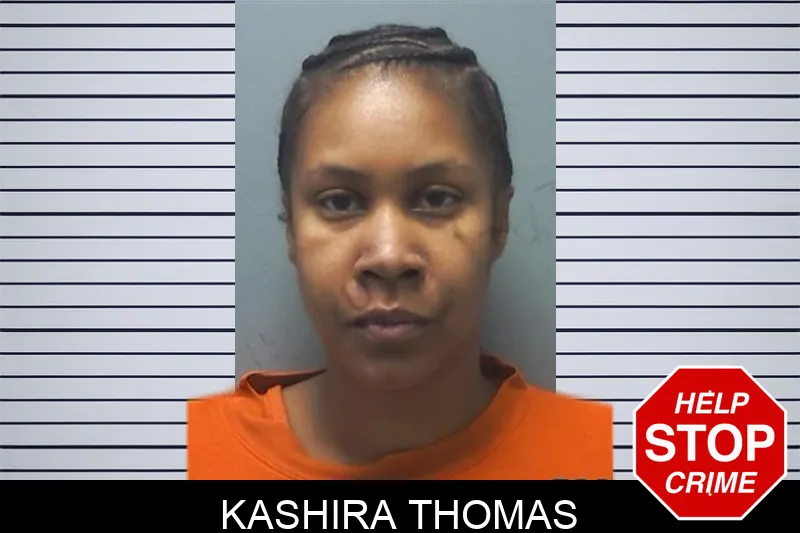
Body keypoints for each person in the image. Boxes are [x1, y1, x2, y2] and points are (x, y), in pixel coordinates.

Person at [188, 24, 613, 480]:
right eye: (340, 202)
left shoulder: (612, 458)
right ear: (291, 226)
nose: (389, 257)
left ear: (499, 222)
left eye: (437, 198)